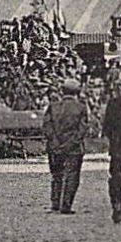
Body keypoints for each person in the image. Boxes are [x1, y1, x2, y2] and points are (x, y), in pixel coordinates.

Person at [42, 77, 88, 215]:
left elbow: (47, 126)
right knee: (72, 176)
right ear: (76, 92)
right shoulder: (81, 108)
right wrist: (70, 144)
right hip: (73, 148)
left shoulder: (53, 106)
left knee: (57, 175)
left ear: (62, 91)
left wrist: (56, 142)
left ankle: (55, 202)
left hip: (55, 147)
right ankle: (66, 205)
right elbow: (82, 130)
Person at [103, 71, 121, 225]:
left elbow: (107, 127)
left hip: (118, 146)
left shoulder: (113, 103)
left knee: (116, 176)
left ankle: (117, 204)